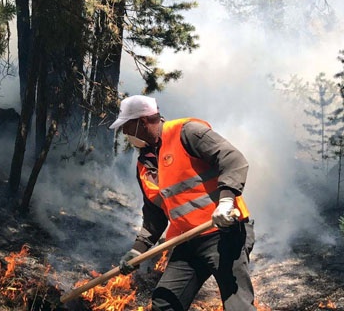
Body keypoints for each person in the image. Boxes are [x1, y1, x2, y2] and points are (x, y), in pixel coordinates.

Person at [109, 95, 256, 311]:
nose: (124, 134)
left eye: (127, 126)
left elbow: (233, 159)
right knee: (165, 303)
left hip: (223, 233)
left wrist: (225, 202)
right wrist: (137, 251)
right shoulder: (145, 165)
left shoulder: (187, 132)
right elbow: (154, 214)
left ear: (142, 122)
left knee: (238, 305)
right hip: (188, 240)